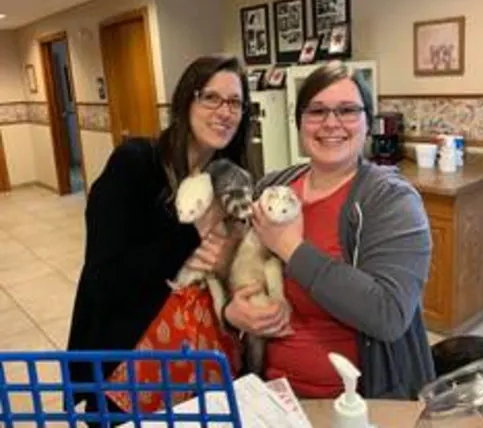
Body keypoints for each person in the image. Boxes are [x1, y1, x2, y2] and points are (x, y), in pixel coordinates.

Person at [66, 54, 288, 422]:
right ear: (186, 101)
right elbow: (104, 282)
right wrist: (194, 231)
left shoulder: (233, 180)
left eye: (235, 102)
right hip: (131, 369)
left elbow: (224, 276)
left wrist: (237, 311)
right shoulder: (136, 165)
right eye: (211, 97)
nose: (225, 111)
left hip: (207, 363)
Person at [224, 61, 436, 400]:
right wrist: (232, 311)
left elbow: (388, 314)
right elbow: (231, 268)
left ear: (368, 122)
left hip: (357, 402)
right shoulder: (273, 186)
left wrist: (291, 248)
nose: (331, 123)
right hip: (268, 395)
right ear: (300, 122)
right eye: (317, 111)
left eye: (348, 110)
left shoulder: (391, 199)